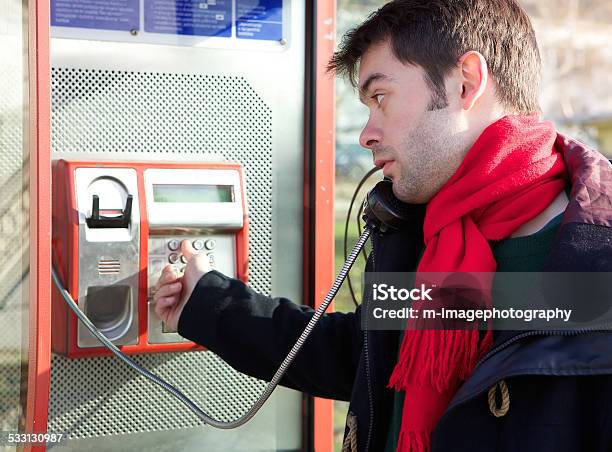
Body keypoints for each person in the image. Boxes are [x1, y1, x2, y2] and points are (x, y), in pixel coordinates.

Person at [153, 1, 612, 451]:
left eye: (380, 98)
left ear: (465, 84)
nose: (366, 133)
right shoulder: (434, 232)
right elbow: (365, 356)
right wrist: (210, 303)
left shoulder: (592, 262)